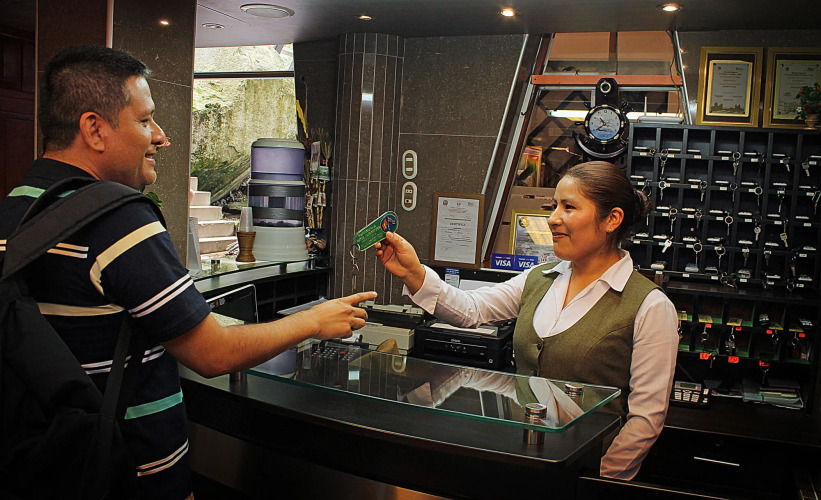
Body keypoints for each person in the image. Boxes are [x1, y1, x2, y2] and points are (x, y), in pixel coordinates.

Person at [0, 45, 375, 499]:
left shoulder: (17, 208)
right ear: (94, 129)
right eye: (145, 121)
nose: (161, 136)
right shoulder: (119, 220)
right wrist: (313, 321)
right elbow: (212, 354)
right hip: (126, 475)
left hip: (46, 465)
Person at [375, 160, 678, 480]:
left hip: (582, 475)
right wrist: (414, 273)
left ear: (612, 219)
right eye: (554, 206)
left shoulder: (650, 306)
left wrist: (598, 480)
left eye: (569, 207)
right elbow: (472, 309)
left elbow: (646, 419)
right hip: (522, 461)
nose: (553, 219)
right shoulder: (539, 279)